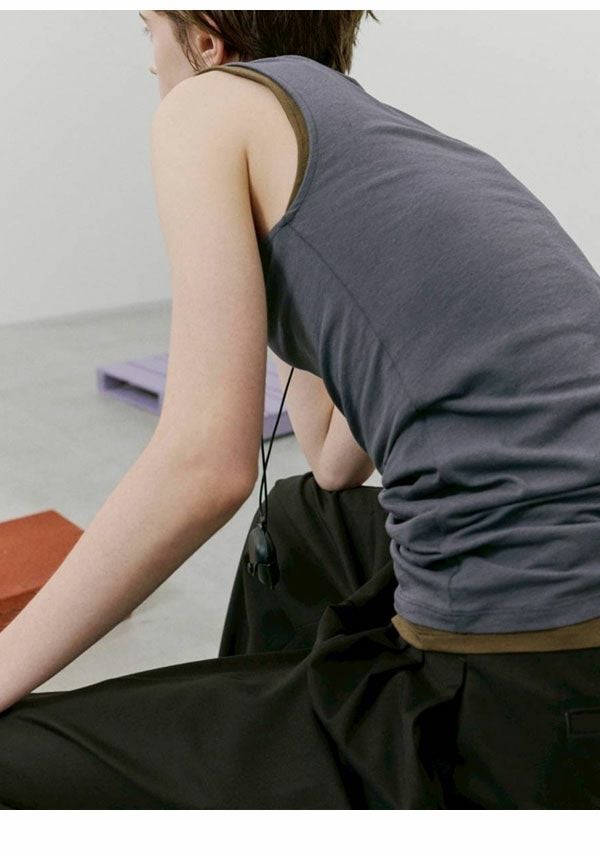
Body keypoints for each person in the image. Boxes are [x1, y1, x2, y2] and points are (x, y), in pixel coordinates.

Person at [0, 9, 599, 809]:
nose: (150, 65)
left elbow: (204, 467)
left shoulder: (204, 107)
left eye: (150, 32)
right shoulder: (382, 133)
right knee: (297, 520)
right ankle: (276, 755)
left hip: (520, 680)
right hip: (573, 637)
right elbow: (334, 460)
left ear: (205, 41)